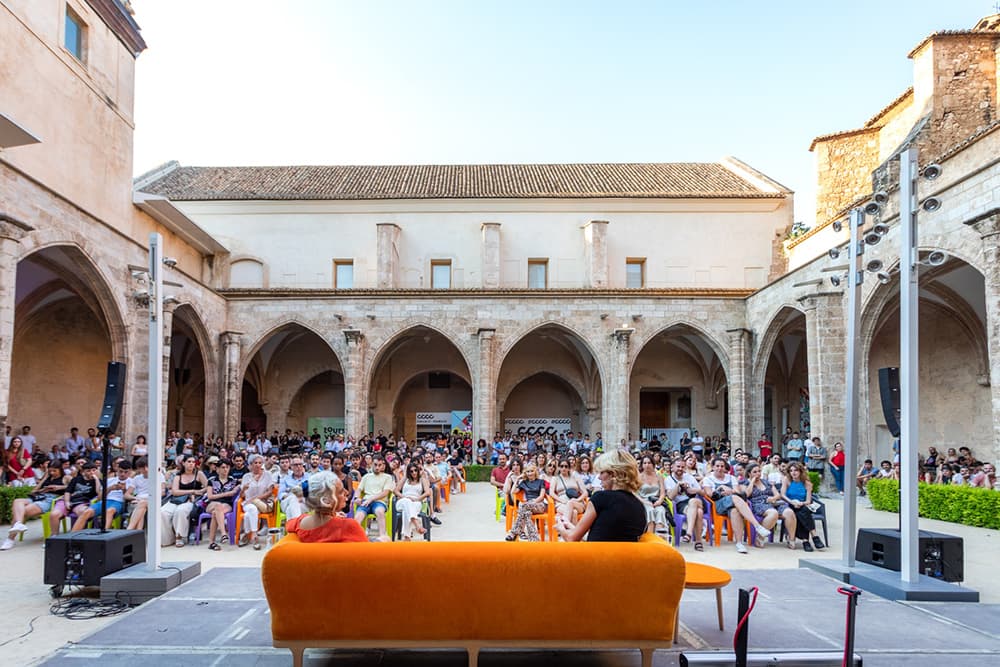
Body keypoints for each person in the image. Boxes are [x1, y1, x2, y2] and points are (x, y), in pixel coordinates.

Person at [556, 449, 647, 542]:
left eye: (602, 472)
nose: (599, 477)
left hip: (596, 551)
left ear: (613, 474)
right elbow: (605, 535)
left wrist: (561, 528)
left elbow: (571, 538)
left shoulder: (600, 498)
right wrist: (571, 526)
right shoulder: (640, 506)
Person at [702, 457, 771, 554]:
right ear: (713, 467)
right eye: (717, 466)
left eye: (722, 466)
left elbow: (738, 492)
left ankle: (739, 543)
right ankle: (757, 526)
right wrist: (721, 489)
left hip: (733, 503)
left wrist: (729, 490)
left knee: (735, 511)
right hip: (718, 505)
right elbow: (710, 494)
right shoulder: (708, 479)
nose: (720, 468)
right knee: (734, 498)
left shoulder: (731, 478)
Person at [285, 471, 368, 543]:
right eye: (340, 491)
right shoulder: (348, 526)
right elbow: (366, 552)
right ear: (326, 501)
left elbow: (289, 525)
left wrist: (334, 516)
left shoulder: (300, 522)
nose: (346, 492)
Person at [1, 461, 67, 550]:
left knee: (21, 512)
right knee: (17, 501)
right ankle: (18, 524)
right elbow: (33, 491)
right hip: (38, 497)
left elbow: (73, 487)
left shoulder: (65, 477)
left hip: (49, 500)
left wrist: (59, 487)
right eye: (50, 471)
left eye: (54, 471)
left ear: (60, 469)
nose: (52, 473)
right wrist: (44, 482)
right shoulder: (48, 477)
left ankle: (10, 539)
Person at [742, 463, 795, 548]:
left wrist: (773, 498)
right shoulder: (745, 482)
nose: (758, 474)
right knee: (773, 513)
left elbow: (778, 495)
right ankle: (760, 537)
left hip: (773, 502)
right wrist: (752, 481)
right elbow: (746, 495)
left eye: (759, 471)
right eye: (755, 472)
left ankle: (791, 539)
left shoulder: (766, 482)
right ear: (749, 473)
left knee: (789, 512)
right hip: (759, 504)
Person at [163, 454, 208, 548]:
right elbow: (175, 491)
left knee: (180, 511)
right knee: (163, 512)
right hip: (177, 499)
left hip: (191, 500)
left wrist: (200, 492)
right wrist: (192, 491)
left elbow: (209, 486)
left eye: (193, 462)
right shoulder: (178, 476)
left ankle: (180, 537)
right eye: (189, 462)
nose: (191, 464)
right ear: (183, 463)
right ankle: (167, 539)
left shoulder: (199, 474)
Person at [780, 462, 824, 552]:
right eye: (791, 471)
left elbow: (808, 501)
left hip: (803, 505)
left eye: (796, 470)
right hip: (790, 504)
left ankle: (805, 541)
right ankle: (814, 536)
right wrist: (791, 502)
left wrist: (801, 503)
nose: (793, 473)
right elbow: (783, 495)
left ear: (800, 471)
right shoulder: (786, 480)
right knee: (800, 513)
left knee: (802, 511)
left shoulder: (807, 483)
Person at [663, 457, 705, 551]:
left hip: (696, 501)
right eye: (678, 466)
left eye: (682, 467)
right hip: (681, 505)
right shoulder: (668, 480)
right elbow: (670, 497)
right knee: (699, 512)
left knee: (693, 501)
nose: (680, 469)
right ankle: (698, 542)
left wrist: (691, 489)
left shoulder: (689, 477)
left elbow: (702, 493)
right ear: (672, 467)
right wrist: (678, 485)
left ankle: (689, 533)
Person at [239, 453, 276, 550]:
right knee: (252, 509)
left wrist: (256, 499)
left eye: (260, 463)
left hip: (261, 503)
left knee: (248, 514)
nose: (258, 465)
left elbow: (270, 492)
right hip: (248, 503)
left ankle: (247, 535)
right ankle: (254, 536)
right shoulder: (246, 476)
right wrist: (243, 489)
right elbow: (242, 496)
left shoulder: (267, 475)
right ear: (251, 464)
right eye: (255, 463)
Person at [505, 462, 549, 541]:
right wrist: (517, 479)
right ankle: (534, 538)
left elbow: (541, 496)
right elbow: (513, 492)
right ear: (525, 473)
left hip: (539, 505)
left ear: (535, 472)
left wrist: (532, 502)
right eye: (528, 471)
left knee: (523, 506)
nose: (530, 473)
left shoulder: (541, 481)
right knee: (527, 513)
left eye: (532, 471)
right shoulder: (524, 482)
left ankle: (513, 533)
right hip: (527, 507)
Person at [354, 456, 394, 539]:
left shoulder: (388, 477)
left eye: (379, 465)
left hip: (379, 502)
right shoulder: (366, 477)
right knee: (358, 516)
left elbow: (385, 493)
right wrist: (356, 498)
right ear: (372, 464)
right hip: (365, 501)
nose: (377, 467)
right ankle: (354, 538)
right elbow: (359, 489)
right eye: (375, 465)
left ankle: (382, 536)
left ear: (383, 465)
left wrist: (371, 499)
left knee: (380, 512)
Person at [204, 459, 241, 550]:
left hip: (227, 504)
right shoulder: (211, 480)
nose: (225, 469)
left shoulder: (233, 481)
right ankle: (223, 533)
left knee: (215, 513)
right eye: (223, 467)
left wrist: (237, 488)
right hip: (212, 503)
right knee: (217, 506)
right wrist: (227, 494)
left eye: (227, 467)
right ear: (217, 469)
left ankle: (211, 542)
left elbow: (243, 484)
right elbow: (210, 496)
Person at [394, 463, 430, 540]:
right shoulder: (405, 479)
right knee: (407, 502)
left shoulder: (422, 480)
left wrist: (417, 499)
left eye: (415, 470)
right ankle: (417, 525)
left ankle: (407, 537)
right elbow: (396, 491)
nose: (414, 472)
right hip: (402, 501)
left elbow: (428, 492)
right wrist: (404, 497)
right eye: (411, 471)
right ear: (408, 472)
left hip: (416, 501)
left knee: (406, 511)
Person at [551, 457, 588, 526]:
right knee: (574, 512)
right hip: (561, 503)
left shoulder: (575, 477)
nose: (564, 468)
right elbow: (551, 493)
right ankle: (573, 531)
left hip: (577, 502)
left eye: (566, 466)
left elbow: (585, 493)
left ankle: (564, 527)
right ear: (558, 467)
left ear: (569, 468)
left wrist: (577, 500)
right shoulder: (555, 478)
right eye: (561, 466)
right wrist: (562, 501)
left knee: (571, 503)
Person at [637, 455, 667, 534]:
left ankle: (659, 535)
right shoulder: (638, 477)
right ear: (642, 465)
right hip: (643, 501)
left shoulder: (659, 476)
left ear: (653, 464)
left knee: (660, 511)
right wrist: (644, 502)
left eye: (649, 463)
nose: (647, 465)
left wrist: (659, 501)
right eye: (645, 463)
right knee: (649, 510)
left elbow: (663, 493)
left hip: (656, 500)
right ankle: (650, 535)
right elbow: (635, 493)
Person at [125, 457, 150, 530]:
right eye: (142, 468)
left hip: (151, 501)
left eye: (147, 467)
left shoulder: (158, 476)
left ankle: (129, 529)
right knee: (142, 508)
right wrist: (135, 498)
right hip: (138, 501)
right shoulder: (137, 478)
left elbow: (162, 492)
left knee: (142, 504)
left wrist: (143, 499)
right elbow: (126, 495)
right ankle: (138, 532)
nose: (145, 469)